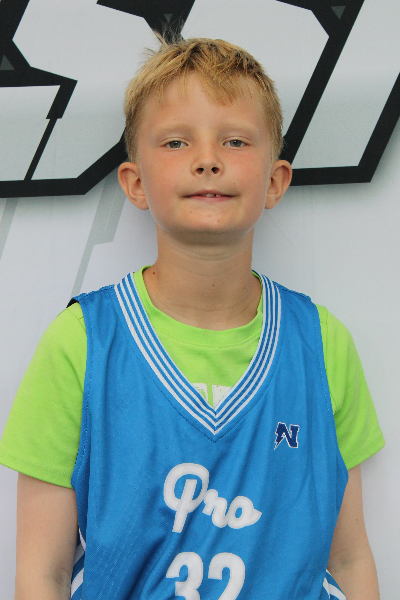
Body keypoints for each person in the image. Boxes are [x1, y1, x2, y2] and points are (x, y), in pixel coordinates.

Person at [0, 37, 384, 600]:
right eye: (177, 142)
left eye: (235, 140)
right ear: (135, 183)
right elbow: (43, 572)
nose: (208, 159)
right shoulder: (81, 343)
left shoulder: (321, 344)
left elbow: (348, 557)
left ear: (275, 181)